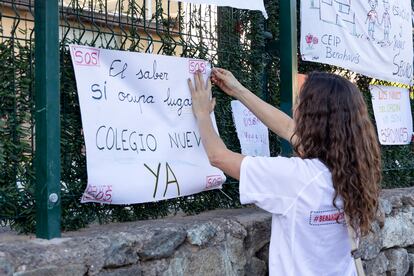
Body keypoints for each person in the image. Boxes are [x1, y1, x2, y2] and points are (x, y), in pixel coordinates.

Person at [188, 69, 381, 276]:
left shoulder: (297, 178)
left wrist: (201, 113)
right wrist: (238, 90)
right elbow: (288, 129)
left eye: (301, 102)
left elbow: (219, 156)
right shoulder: (356, 170)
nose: (295, 108)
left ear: (313, 116)